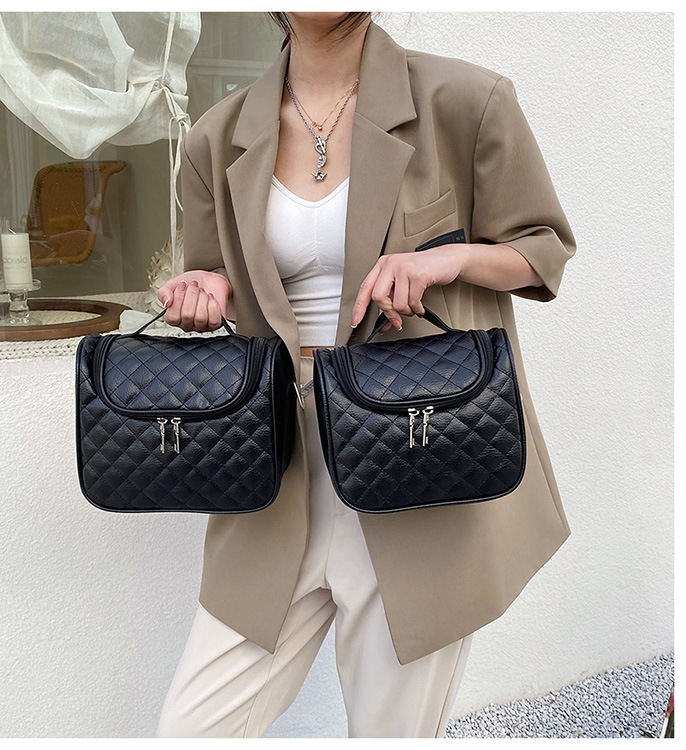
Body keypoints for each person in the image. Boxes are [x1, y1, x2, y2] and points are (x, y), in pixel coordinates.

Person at [155, 12, 576, 738]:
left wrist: (446, 259)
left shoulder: (464, 102)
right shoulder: (215, 139)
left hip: (416, 468)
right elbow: (215, 273)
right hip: (276, 480)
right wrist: (205, 293)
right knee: (190, 729)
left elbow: (543, 250)